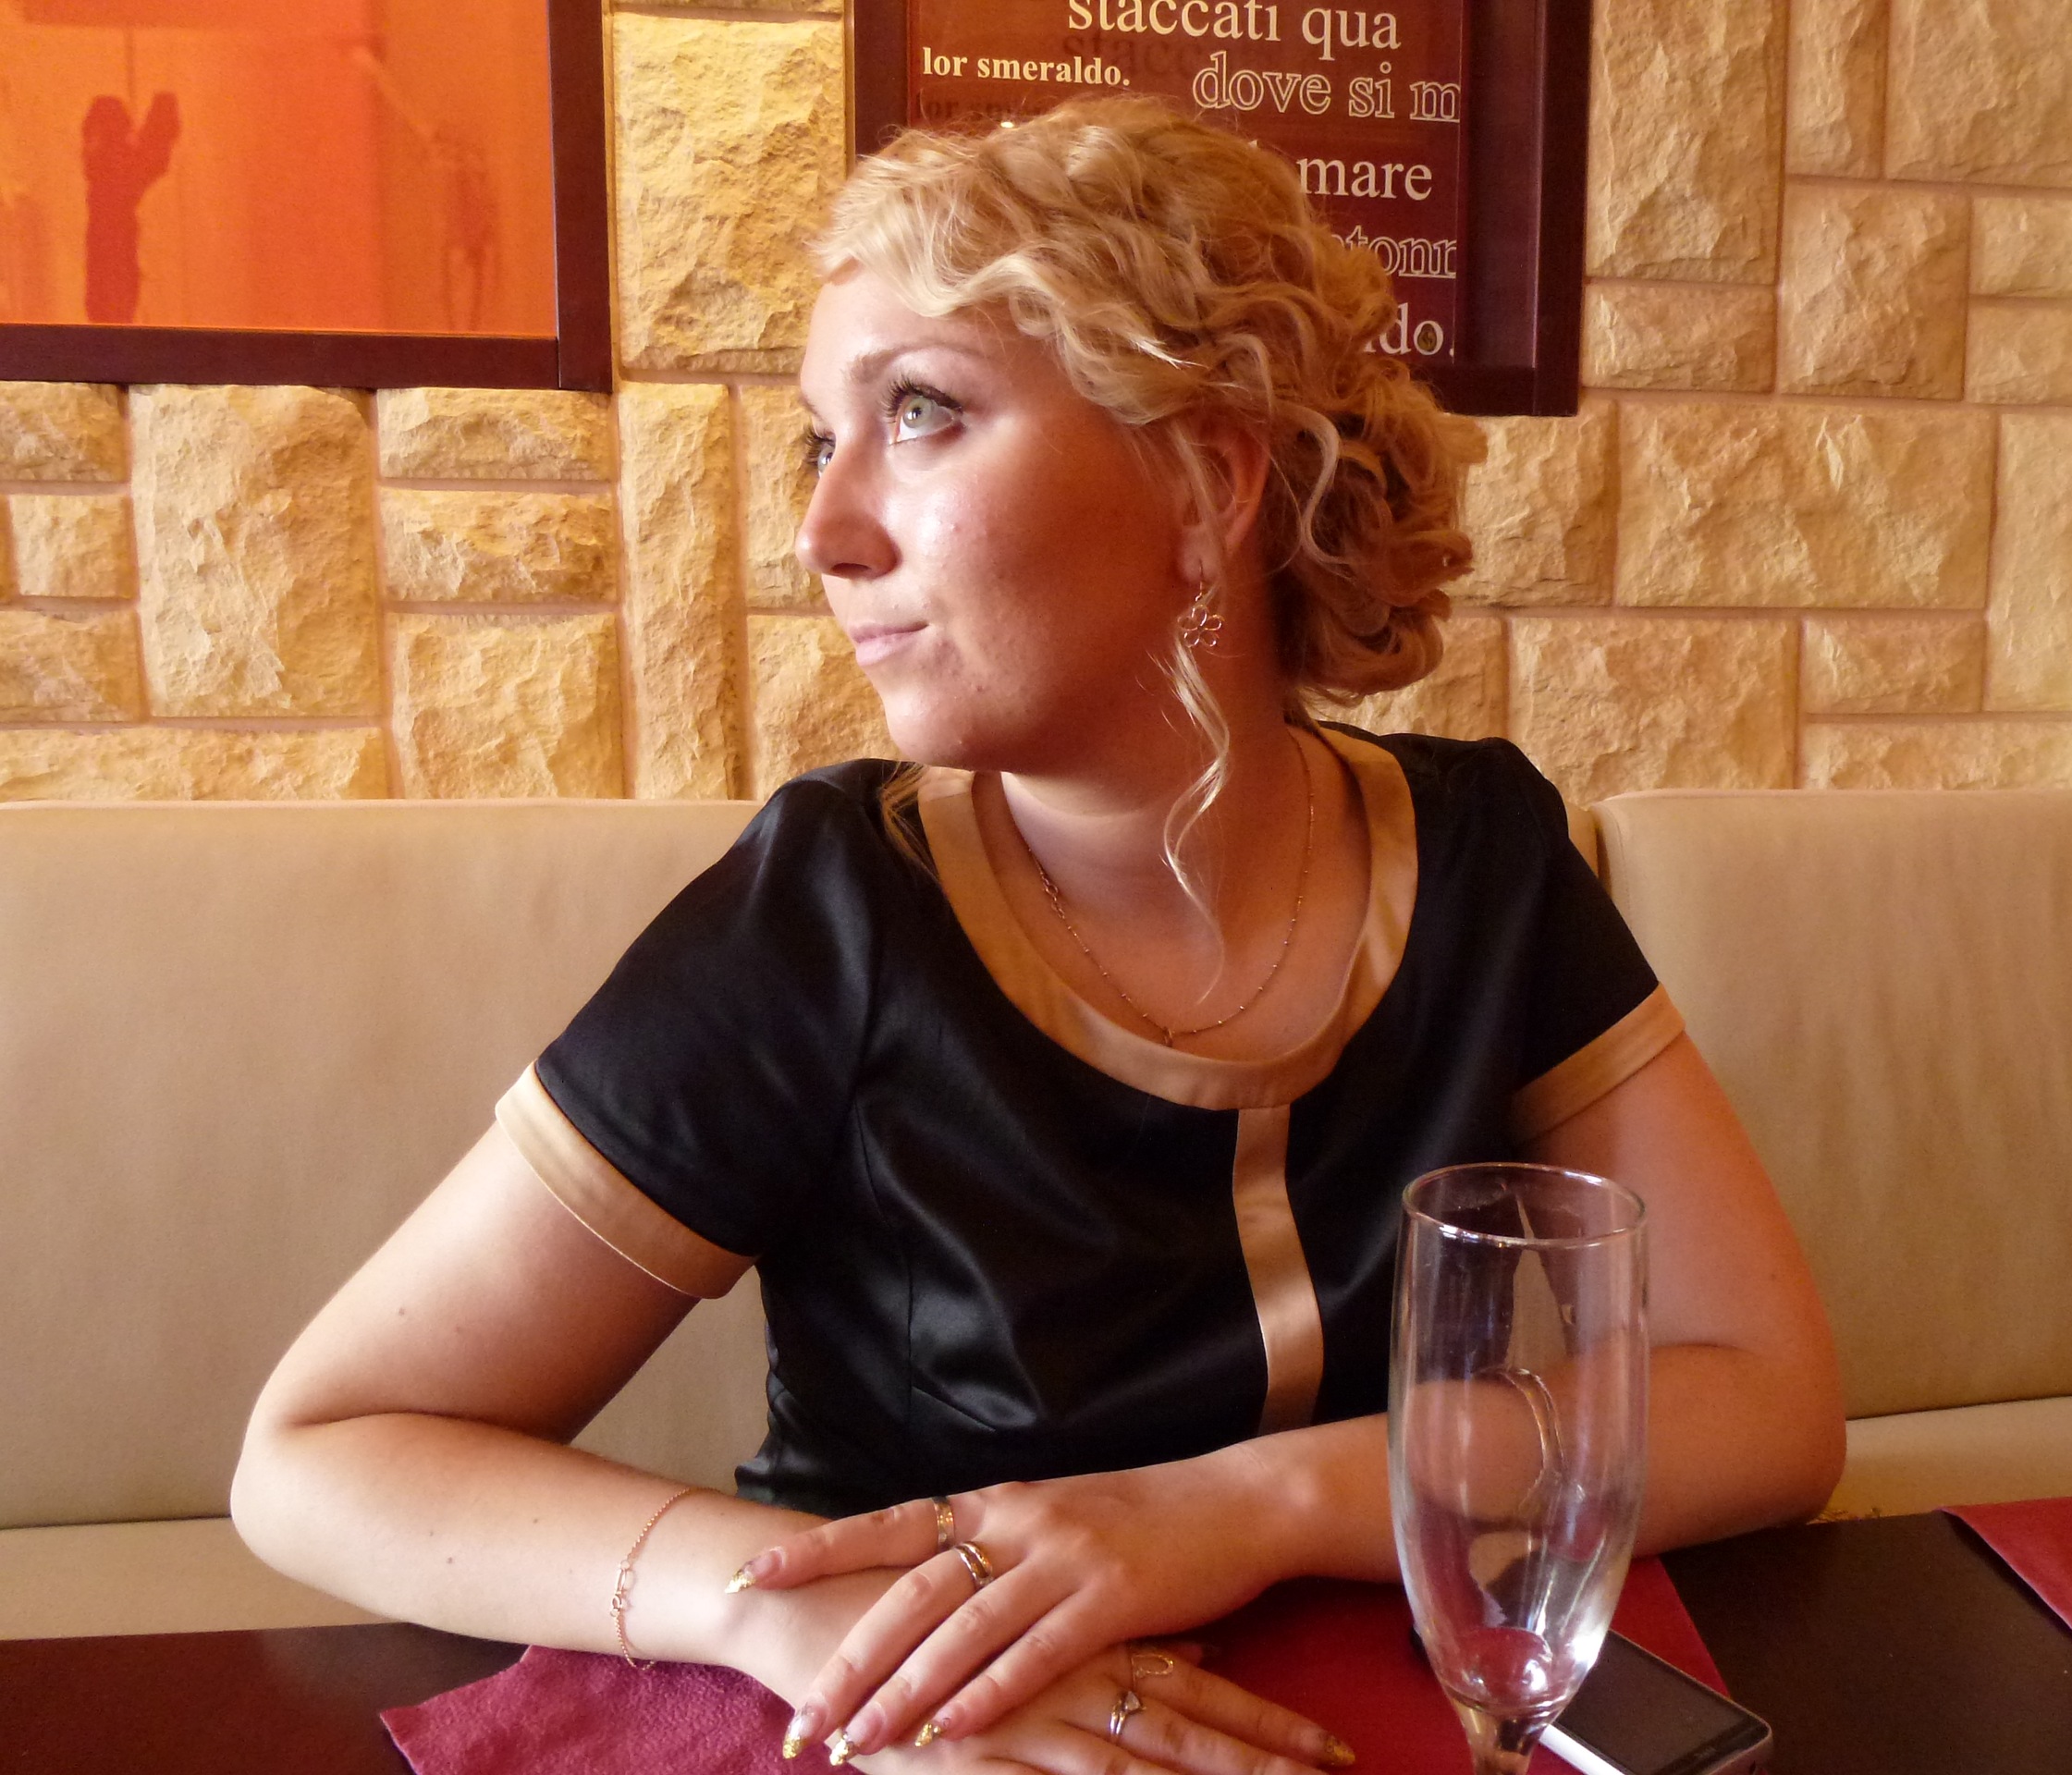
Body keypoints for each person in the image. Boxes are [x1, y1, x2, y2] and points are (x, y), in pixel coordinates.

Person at [231, 96, 1844, 1775]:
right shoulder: (828, 913)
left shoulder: (1485, 858)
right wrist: (789, 1619)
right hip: (945, 1729)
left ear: (1206, 479)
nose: (825, 532)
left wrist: (1242, 1509)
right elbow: (323, 1451)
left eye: (920, 412)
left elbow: (1768, 1397)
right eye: (821, 442)